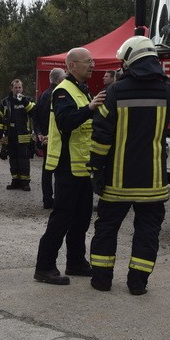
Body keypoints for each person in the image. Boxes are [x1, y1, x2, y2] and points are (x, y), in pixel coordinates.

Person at [87, 36, 170, 295]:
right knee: (147, 233)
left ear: (130, 61)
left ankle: (101, 279)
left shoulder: (115, 92)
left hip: (117, 183)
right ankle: (137, 283)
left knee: (107, 229)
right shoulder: (167, 90)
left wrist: (96, 169)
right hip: (153, 184)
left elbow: (101, 136)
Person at [33, 50, 106, 285]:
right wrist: (89, 109)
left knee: (82, 218)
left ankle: (75, 261)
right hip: (67, 165)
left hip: (82, 165)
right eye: (89, 62)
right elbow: (65, 122)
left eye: (93, 61)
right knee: (62, 217)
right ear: (73, 65)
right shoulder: (63, 90)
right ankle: (44, 267)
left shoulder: (82, 89)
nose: (93, 65)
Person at [33, 68, 66, 210]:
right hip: (56, 139)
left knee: (47, 170)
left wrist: (39, 133)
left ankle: (47, 199)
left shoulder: (43, 95)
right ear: (59, 80)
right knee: (59, 170)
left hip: (45, 138)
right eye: (64, 78)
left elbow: (36, 116)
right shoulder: (60, 95)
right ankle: (57, 199)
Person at [0, 78, 35, 190]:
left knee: (23, 159)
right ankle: (15, 180)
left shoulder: (28, 100)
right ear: (11, 88)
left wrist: (25, 102)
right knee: (13, 158)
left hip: (24, 135)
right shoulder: (5, 102)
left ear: (22, 88)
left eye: (20, 88)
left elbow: (33, 114)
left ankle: (25, 182)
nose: (18, 90)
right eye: (16, 88)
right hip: (10, 135)